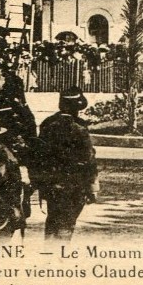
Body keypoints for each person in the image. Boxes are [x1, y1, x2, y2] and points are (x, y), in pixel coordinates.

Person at [35, 88, 98, 241]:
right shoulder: (80, 127)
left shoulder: (47, 124)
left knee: (52, 220)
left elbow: (38, 155)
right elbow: (88, 159)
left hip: (51, 181)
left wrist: (41, 182)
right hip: (74, 183)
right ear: (77, 108)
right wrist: (92, 187)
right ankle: (59, 258)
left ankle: (48, 255)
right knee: (67, 224)